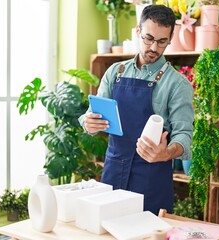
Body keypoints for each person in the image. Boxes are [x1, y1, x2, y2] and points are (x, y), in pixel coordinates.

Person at [78, 4, 194, 215]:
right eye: (148, 38)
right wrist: (89, 122)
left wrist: (167, 152)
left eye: (161, 42)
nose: (154, 48)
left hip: (151, 177)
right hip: (113, 170)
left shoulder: (177, 84)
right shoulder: (115, 72)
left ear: (170, 39)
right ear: (138, 31)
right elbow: (93, 115)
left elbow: (184, 135)